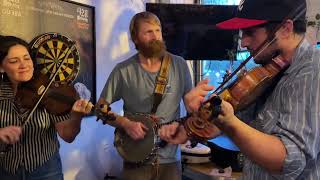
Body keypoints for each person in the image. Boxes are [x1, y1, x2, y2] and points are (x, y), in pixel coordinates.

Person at [161, 0, 320, 179]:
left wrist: (230, 123)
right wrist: (190, 127)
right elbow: (228, 126)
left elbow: (290, 161)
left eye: (250, 33)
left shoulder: (312, 70)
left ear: (285, 28)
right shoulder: (268, 71)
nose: (243, 43)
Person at [97, 11, 216, 180]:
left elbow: (192, 112)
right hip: (135, 160)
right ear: (135, 38)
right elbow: (100, 107)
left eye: (158, 30)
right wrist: (125, 124)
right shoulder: (122, 70)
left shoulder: (179, 65)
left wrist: (195, 107)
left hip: (170, 162)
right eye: (148, 32)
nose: (155, 36)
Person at [0, 35, 93, 180]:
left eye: (26, 58)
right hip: (6, 172)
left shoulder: (49, 87)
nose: (24, 65)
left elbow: (67, 135)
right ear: (1, 67)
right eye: (14, 61)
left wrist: (76, 116)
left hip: (46, 172)